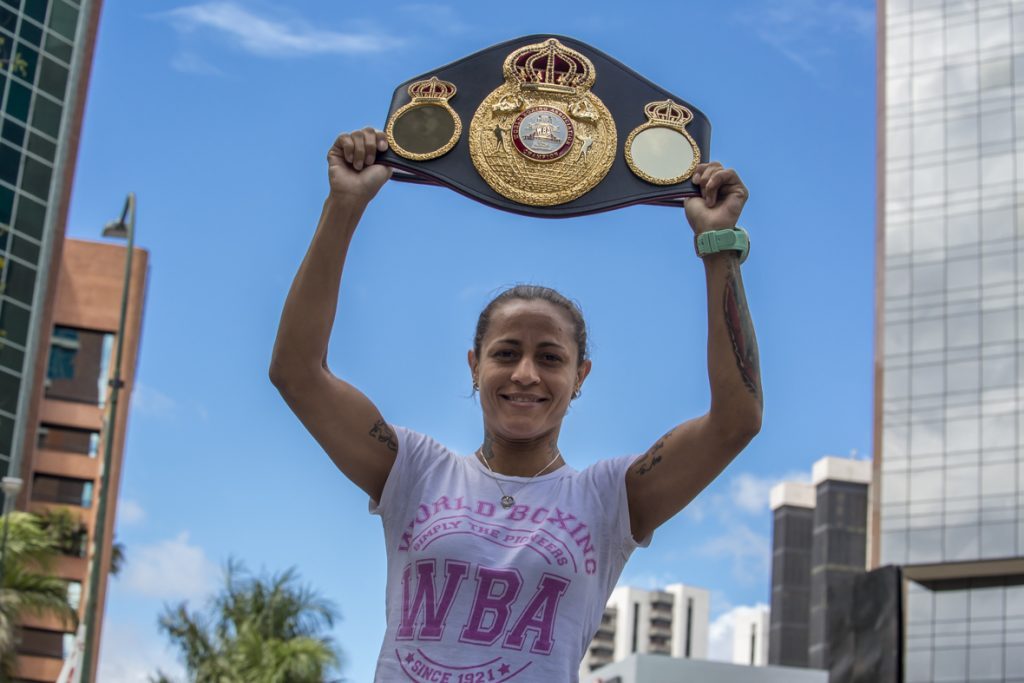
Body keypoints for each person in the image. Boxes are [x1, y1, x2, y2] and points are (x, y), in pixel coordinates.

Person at [270, 127, 762, 682]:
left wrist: (719, 247)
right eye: (506, 354)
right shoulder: (414, 471)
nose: (525, 374)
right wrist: (344, 205)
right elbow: (297, 373)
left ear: (580, 377)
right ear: (474, 365)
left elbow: (735, 421)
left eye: (550, 358)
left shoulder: (609, 500)